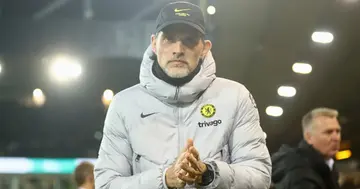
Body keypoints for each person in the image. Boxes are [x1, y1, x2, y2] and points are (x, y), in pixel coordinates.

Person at [94, 1, 271, 188]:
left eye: (189, 40)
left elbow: (260, 177)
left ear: (205, 48)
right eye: (169, 39)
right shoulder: (124, 105)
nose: (178, 50)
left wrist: (209, 174)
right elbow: (106, 184)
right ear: (154, 43)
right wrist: (163, 180)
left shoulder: (236, 97)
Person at [271, 107, 341, 189]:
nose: (336, 138)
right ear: (309, 137)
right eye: (328, 132)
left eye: (338, 131)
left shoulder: (325, 167)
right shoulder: (301, 174)